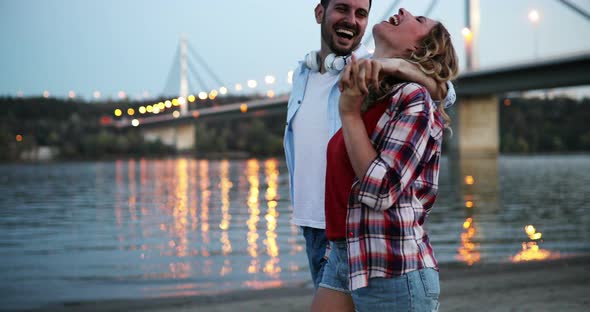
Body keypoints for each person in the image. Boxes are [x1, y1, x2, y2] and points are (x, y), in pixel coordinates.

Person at [283, 0, 456, 290]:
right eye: (342, 9)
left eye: (361, 13)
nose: (351, 20)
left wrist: (398, 65)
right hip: (309, 227)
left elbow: (444, 90)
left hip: (348, 230)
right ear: (319, 12)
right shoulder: (302, 75)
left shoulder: (369, 70)